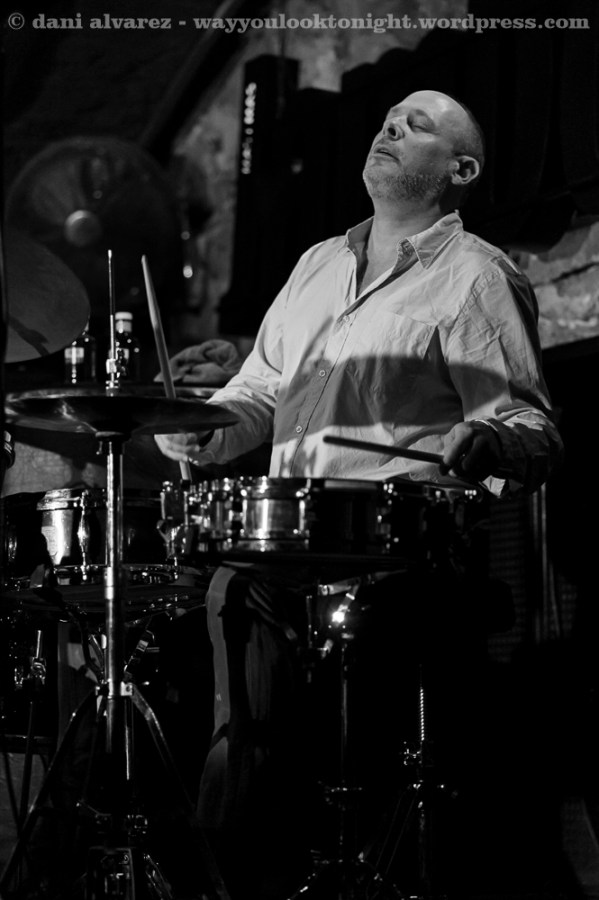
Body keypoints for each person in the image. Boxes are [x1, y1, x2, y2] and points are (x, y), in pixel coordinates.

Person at [156, 90, 564, 898]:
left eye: (417, 126)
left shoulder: (477, 277)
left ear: (460, 170)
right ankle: (235, 880)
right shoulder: (316, 263)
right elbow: (260, 390)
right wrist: (200, 428)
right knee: (245, 722)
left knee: (356, 758)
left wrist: (490, 440)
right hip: (281, 552)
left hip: (394, 559)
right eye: (386, 121)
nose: (390, 129)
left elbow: (531, 426)